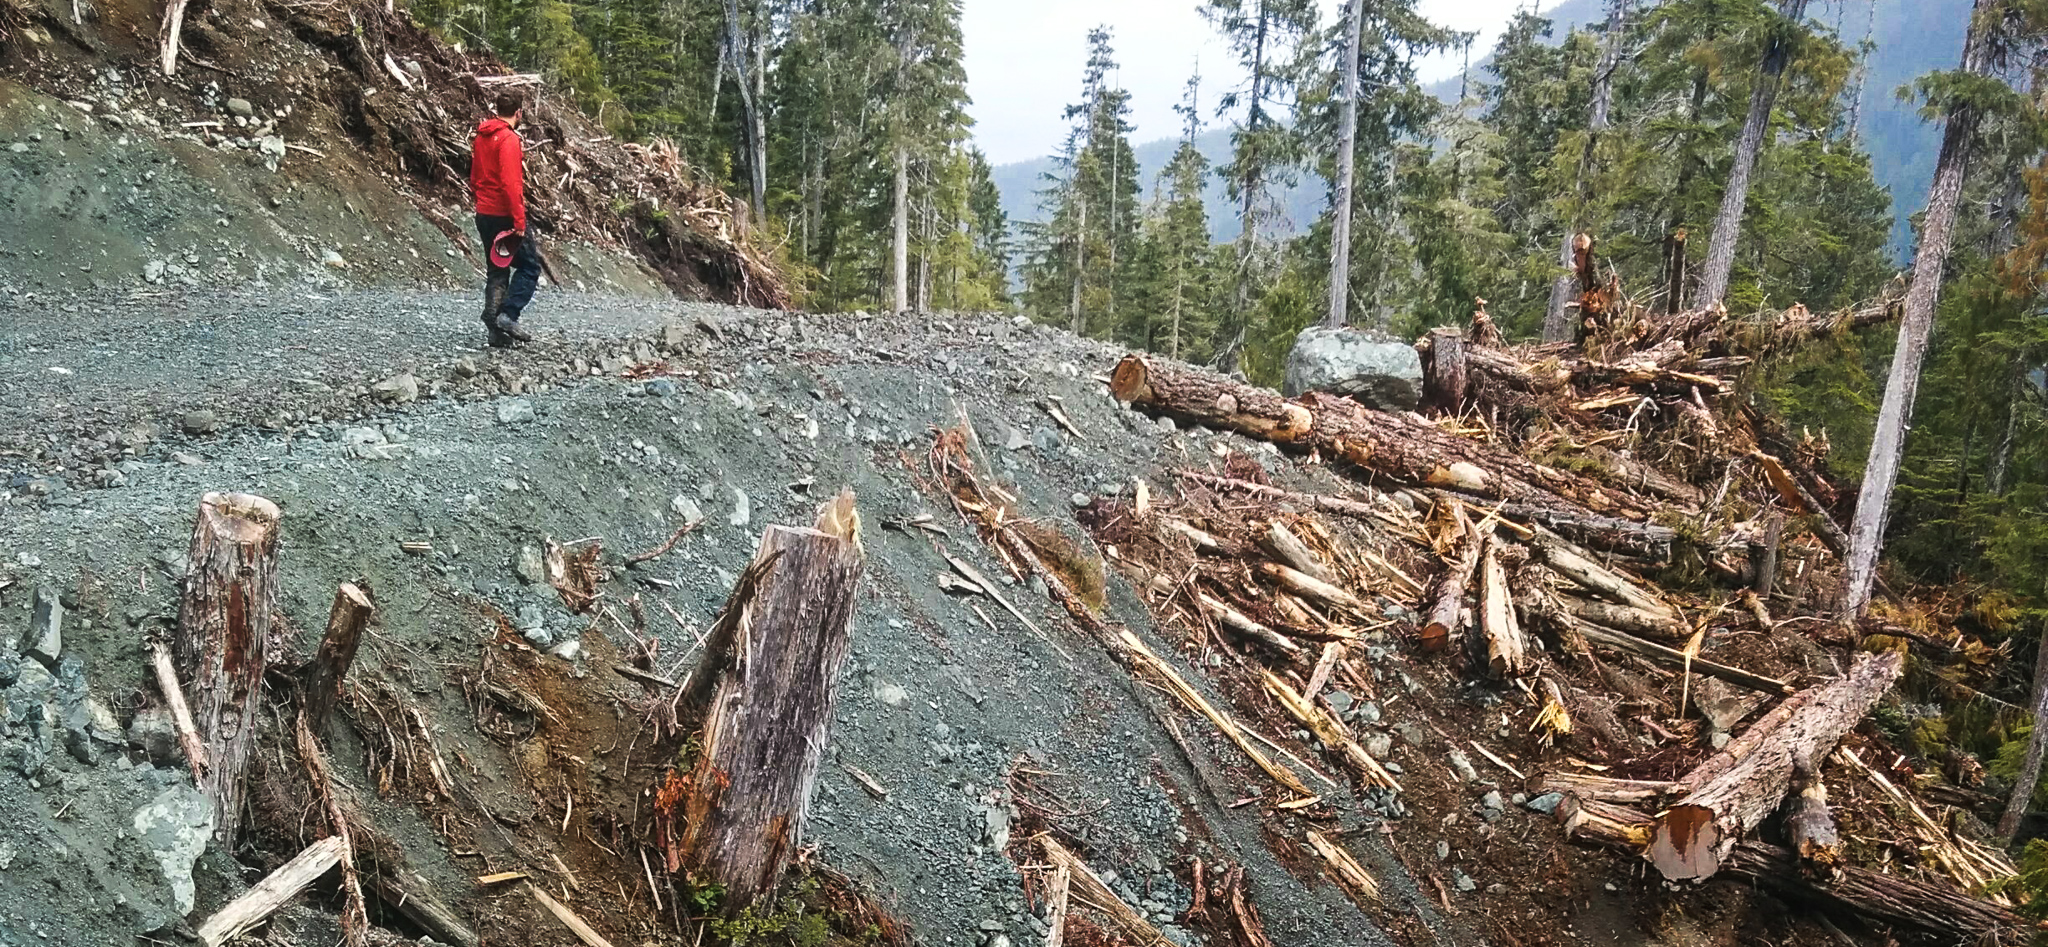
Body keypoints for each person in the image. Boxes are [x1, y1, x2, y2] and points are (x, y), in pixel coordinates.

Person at [470, 91, 540, 347]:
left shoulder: (481, 136)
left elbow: (475, 177)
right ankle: (508, 315)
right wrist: (519, 221)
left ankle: (495, 331)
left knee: (496, 270)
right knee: (529, 267)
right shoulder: (508, 140)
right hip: (504, 215)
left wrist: (481, 200)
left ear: (497, 109)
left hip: (484, 212)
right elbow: (511, 184)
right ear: (518, 113)